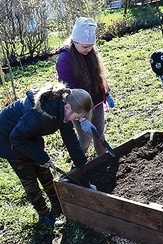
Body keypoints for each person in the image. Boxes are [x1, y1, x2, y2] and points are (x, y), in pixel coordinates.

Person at [0, 83, 92, 227]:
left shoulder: (61, 110)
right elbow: (16, 138)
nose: (75, 120)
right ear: (68, 107)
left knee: (44, 171)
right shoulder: (40, 113)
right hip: (9, 140)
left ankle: (57, 204)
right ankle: (44, 214)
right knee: (29, 179)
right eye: (76, 116)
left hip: (29, 135)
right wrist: (42, 157)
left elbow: (70, 138)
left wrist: (82, 164)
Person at [56, 17, 114, 156]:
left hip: (96, 100)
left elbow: (99, 74)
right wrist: (81, 116)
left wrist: (107, 92)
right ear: (74, 41)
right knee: (86, 138)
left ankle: (103, 161)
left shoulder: (91, 52)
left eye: (91, 46)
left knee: (99, 133)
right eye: (85, 46)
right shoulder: (65, 60)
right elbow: (68, 89)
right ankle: (78, 165)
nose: (88, 49)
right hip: (80, 105)